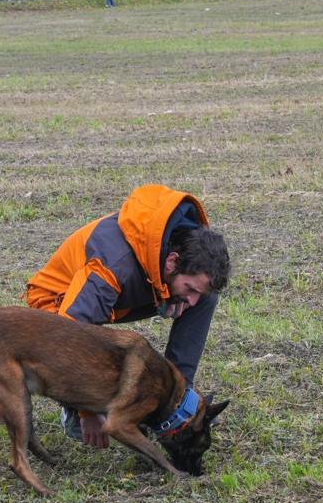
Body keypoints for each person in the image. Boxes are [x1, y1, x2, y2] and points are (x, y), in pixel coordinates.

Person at [25, 185, 230, 448]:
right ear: (172, 262)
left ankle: (176, 396)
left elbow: (191, 290)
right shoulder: (112, 268)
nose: (190, 298)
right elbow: (68, 336)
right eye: (189, 288)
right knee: (106, 354)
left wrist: (173, 294)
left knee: (206, 297)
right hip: (57, 307)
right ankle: (73, 412)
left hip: (116, 296)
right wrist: (88, 410)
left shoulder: (170, 252)